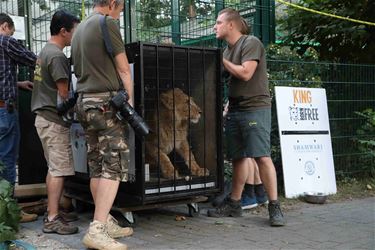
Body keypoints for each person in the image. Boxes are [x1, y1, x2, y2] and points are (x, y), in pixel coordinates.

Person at [208, 8, 285, 227]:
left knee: (261, 156)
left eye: (218, 22)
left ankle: (274, 206)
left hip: (255, 108)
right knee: (238, 158)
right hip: (235, 109)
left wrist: (221, 61)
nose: (215, 26)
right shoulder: (227, 50)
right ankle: (234, 204)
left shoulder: (250, 43)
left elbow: (245, 73)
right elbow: (227, 80)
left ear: (231, 25)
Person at [71, 0, 134, 249]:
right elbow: (124, 69)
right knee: (114, 165)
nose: (119, 16)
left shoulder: (79, 31)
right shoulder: (106, 23)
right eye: (120, 10)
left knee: (96, 164)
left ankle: (104, 220)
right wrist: (131, 106)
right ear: (112, 3)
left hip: (84, 103)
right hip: (106, 104)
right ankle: (97, 229)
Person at [30, 10, 80, 235]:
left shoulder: (44, 52)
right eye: (74, 32)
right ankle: (52, 218)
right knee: (59, 170)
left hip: (43, 119)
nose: (75, 37)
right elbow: (64, 94)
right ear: (63, 31)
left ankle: (55, 210)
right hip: (53, 119)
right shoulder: (57, 56)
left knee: (54, 168)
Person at [0, 13, 39, 223]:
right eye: (11, 31)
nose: (11, 35)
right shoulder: (6, 41)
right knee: (7, 161)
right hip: (4, 111)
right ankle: (8, 212)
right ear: (5, 26)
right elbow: (35, 60)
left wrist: (17, 84)